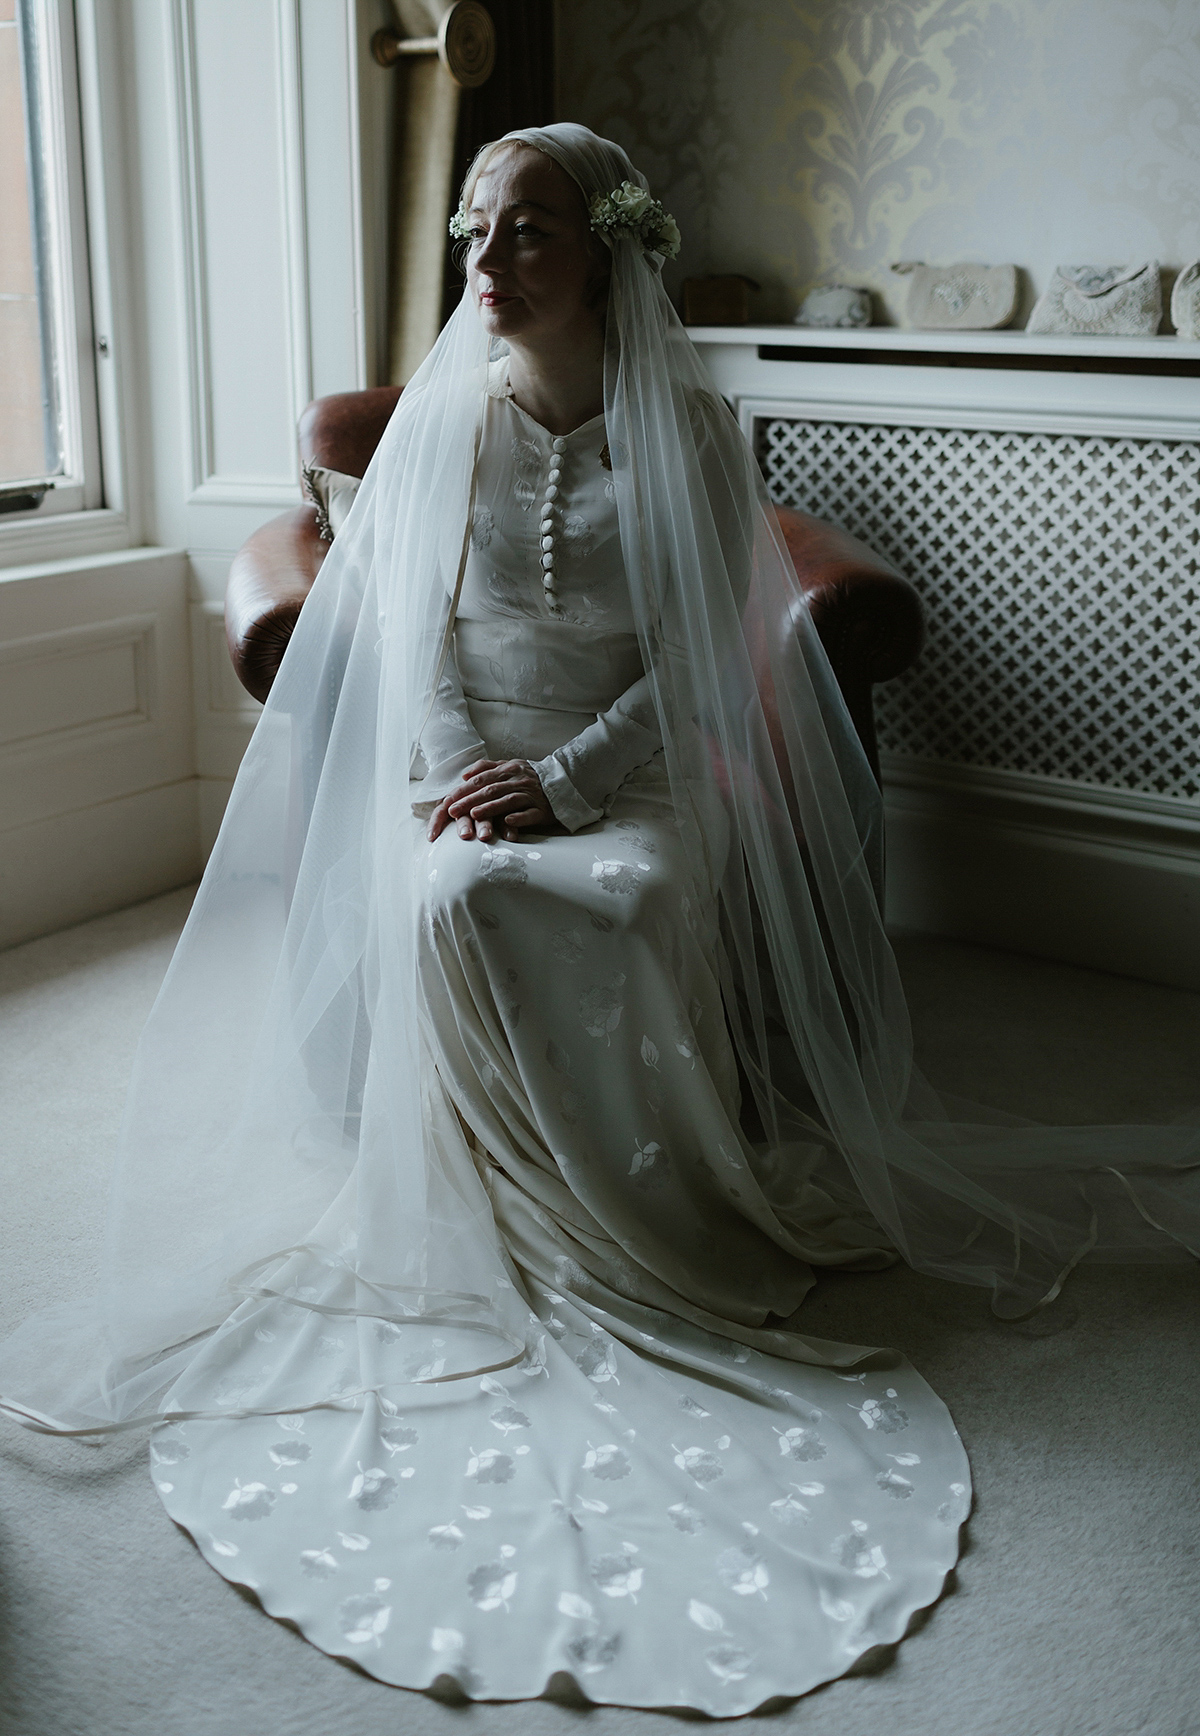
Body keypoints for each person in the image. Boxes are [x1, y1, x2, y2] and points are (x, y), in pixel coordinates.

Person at [1, 124, 1196, 1714]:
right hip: (462, 775)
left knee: (613, 902)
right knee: (460, 895)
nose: (489, 267)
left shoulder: (692, 429)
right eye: (478, 234)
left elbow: (712, 658)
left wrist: (564, 783)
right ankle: (503, 1202)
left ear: (609, 253)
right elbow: (402, 635)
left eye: (531, 235)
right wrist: (454, 783)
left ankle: (653, 1213)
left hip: (631, 783)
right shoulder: (447, 425)